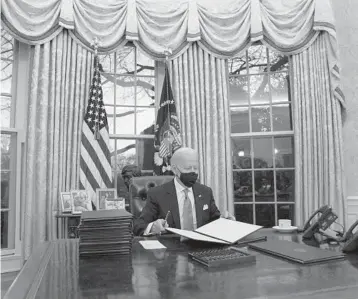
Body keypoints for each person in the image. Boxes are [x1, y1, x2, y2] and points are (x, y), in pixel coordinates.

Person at [133, 147, 235, 236]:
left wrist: (224, 221)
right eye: (187, 168)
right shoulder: (157, 194)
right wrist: (153, 227)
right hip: (172, 251)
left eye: (195, 168)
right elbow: (138, 225)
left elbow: (214, 220)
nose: (193, 172)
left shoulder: (205, 192)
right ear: (174, 169)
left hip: (201, 248)